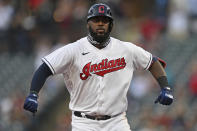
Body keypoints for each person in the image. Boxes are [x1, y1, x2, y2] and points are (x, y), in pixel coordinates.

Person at [23, 3, 173, 131]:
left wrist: (165, 87)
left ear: (111, 24)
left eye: (104, 20)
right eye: (96, 20)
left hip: (116, 122)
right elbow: (44, 69)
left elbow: (153, 62)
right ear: (88, 24)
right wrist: (33, 93)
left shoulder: (126, 49)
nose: (100, 23)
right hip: (84, 123)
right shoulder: (73, 50)